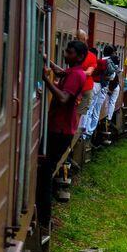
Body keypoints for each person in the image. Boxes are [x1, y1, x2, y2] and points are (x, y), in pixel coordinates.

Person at [43, 39, 88, 199]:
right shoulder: (73, 72)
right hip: (60, 128)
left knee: (46, 170)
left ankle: (45, 211)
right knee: (46, 168)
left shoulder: (76, 75)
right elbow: (60, 72)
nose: (65, 54)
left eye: (70, 53)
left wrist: (46, 80)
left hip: (60, 130)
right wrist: (46, 59)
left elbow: (63, 98)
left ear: (80, 56)